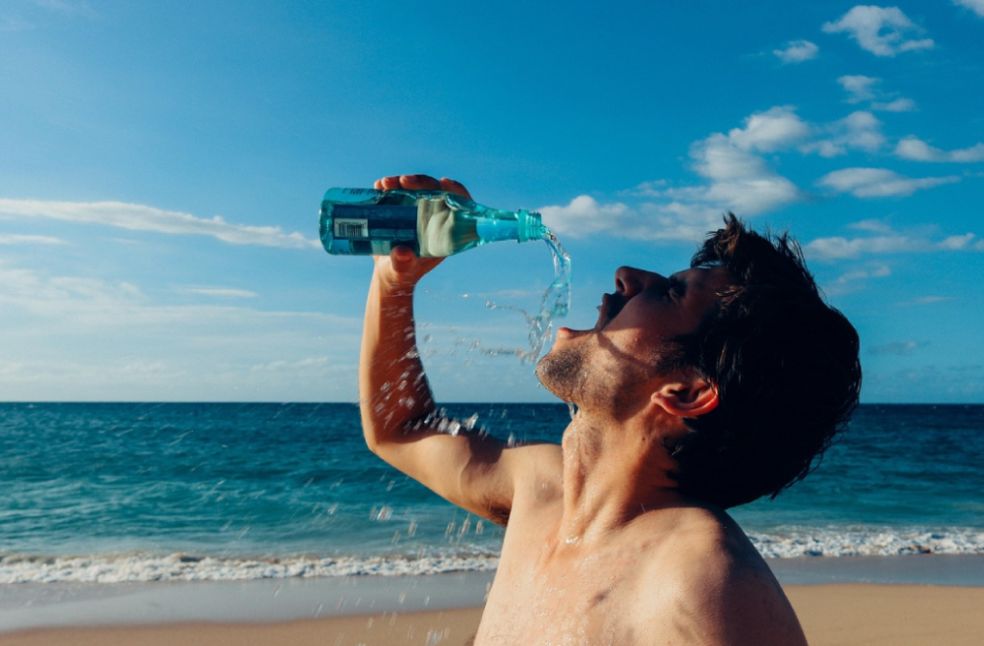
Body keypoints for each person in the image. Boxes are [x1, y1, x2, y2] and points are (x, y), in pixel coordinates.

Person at [360, 173, 861, 645]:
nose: (626, 276)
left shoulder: (704, 582)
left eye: (669, 292)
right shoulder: (541, 488)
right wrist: (394, 281)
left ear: (687, 392)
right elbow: (400, 429)